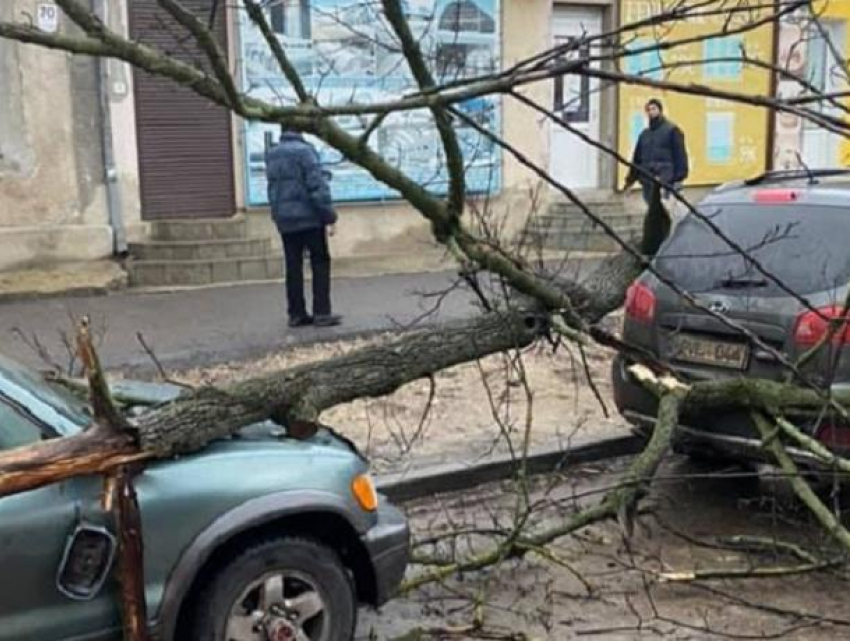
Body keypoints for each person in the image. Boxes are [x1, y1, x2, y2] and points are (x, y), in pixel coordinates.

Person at [266, 128, 341, 328]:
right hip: (309, 218)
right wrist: (329, 215)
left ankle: (296, 313)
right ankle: (322, 312)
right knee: (319, 262)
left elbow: (272, 187)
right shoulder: (306, 152)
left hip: (285, 220)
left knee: (293, 266)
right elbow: (316, 186)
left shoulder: (272, 154)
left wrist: (277, 214)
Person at [623, 99, 689, 210]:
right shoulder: (644, 135)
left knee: (665, 211)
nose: (651, 112)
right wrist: (630, 181)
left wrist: (679, 179)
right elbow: (637, 159)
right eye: (648, 110)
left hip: (665, 180)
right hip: (647, 181)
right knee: (652, 211)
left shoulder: (672, 130)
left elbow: (680, 156)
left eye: (654, 109)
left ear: (660, 110)